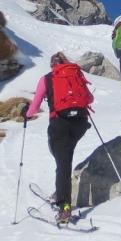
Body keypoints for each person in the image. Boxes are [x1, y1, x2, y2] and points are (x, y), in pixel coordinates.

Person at [24, 52, 93, 224]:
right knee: (65, 159)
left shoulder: (48, 78)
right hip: (80, 123)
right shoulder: (76, 74)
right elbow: (89, 98)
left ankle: (64, 207)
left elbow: (35, 104)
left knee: (62, 162)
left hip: (60, 123)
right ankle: (60, 190)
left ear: (52, 65)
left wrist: (27, 115)